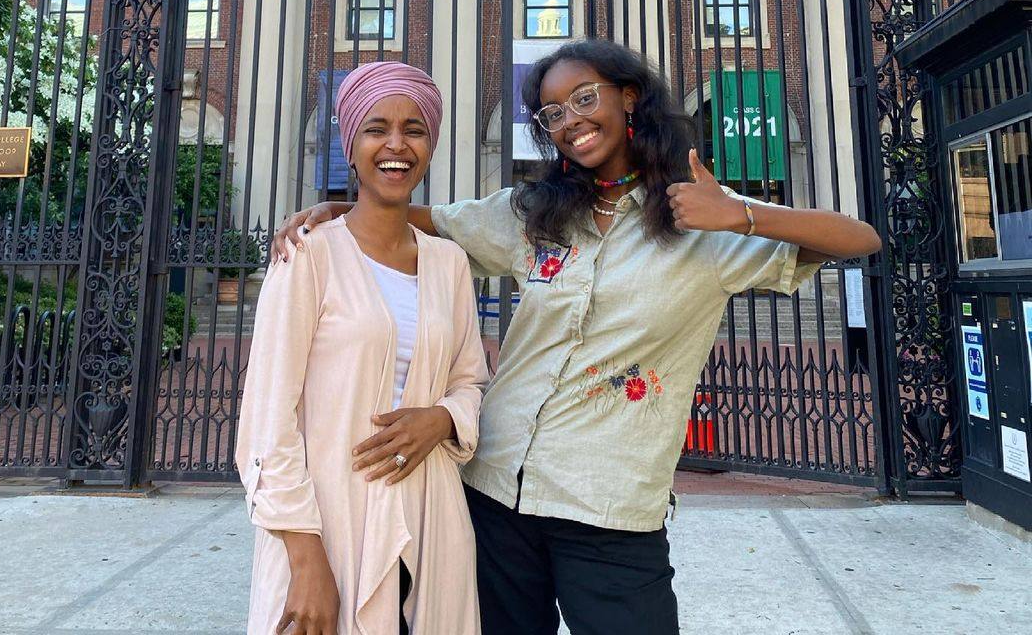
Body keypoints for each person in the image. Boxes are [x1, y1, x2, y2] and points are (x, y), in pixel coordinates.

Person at [271, 39, 882, 635]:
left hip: (608, 505)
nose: (572, 121)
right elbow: (421, 217)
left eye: (586, 98)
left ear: (629, 98)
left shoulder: (701, 221)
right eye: (553, 113)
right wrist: (333, 211)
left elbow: (860, 238)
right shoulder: (532, 213)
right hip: (493, 495)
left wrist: (741, 215)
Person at [236, 61, 488, 635]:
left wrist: (443, 418)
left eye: (415, 129)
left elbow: (471, 380)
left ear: (431, 147)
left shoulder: (448, 263)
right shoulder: (309, 256)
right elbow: (268, 420)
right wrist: (305, 559)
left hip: (430, 523)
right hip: (330, 524)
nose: (396, 144)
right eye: (377, 128)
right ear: (350, 145)